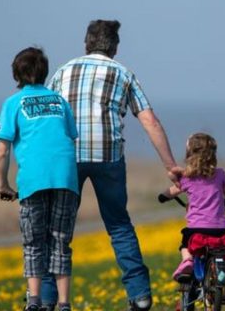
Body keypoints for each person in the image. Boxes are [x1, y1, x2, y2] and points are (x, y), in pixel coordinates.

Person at [42, 20, 182, 311]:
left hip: (68, 157)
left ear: (86, 43)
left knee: (57, 231)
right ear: (115, 47)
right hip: (108, 156)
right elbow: (149, 121)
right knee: (119, 225)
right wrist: (170, 165)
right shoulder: (124, 73)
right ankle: (140, 296)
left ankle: (46, 300)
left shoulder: (62, 72)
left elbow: (46, 121)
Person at [0, 47, 79, 311]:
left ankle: (34, 302)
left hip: (33, 180)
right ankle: (64, 304)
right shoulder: (59, 101)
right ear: (44, 72)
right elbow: (69, 137)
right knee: (60, 241)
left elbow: (2, 152)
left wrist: (3, 185)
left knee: (34, 242)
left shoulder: (13, 103)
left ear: (16, 74)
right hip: (65, 178)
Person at [158, 133, 225, 282]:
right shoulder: (220, 174)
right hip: (220, 230)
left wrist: (163, 196)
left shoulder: (187, 178)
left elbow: (172, 191)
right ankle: (223, 286)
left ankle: (187, 260)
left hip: (196, 229)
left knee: (184, 245)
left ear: (190, 154)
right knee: (222, 255)